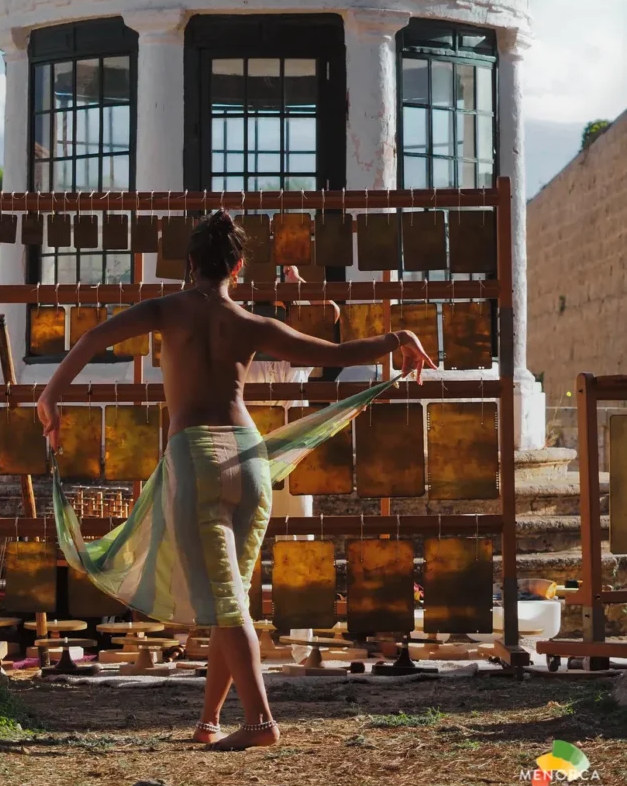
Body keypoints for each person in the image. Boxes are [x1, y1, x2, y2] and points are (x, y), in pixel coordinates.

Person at [37, 212, 435, 751]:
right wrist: (399, 337)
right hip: (250, 463)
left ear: (190, 265)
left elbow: (90, 339)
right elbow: (334, 355)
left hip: (197, 462)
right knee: (234, 601)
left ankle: (260, 723)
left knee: (228, 606)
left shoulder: (165, 309)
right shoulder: (252, 323)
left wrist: (51, 395)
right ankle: (209, 721)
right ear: (239, 267)